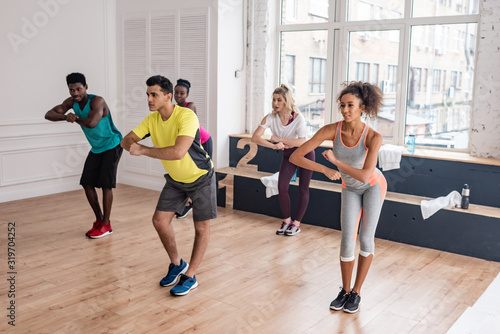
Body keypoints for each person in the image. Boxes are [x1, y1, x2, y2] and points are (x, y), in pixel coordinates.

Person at [290, 81, 386, 313]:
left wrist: (336, 162)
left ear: (363, 107)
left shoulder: (373, 137)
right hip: (349, 187)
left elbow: (365, 176)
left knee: (365, 238)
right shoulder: (331, 130)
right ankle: (345, 290)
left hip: (373, 186)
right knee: (346, 240)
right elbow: (296, 157)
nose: (345, 110)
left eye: (350, 105)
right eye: (342, 105)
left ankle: (357, 292)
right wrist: (324, 169)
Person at [121, 75, 216, 296]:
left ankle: (190, 275)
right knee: (159, 221)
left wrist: (142, 149)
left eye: (154, 95)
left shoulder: (186, 116)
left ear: (168, 96)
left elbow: (177, 152)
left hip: (200, 177)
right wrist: (134, 144)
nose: (149, 99)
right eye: (148, 95)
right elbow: (125, 141)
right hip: (176, 179)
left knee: (201, 228)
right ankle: (177, 264)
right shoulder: (151, 120)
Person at [45, 72, 123, 239]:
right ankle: (99, 220)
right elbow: (49, 114)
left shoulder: (98, 101)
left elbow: (91, 122)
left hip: (112, 144)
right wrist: (66, 116)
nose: (75, 94)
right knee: (87, 183)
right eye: (72, 90)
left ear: (86, 87)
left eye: (79, 89)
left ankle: (107, 224)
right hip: (97, 148)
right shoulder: (71, 102)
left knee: (105, 185)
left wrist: (74, 118)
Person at [251, 84, 315, 236]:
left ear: (287, 101)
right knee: (282, 187)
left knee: (303, 189)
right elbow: (255, 137)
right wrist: (273, 146)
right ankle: (287, 221)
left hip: (305, 153)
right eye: (273, 100)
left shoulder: (298, 117)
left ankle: (297, 224)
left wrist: (278, 138)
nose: (275, 103)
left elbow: (301, 141)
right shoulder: (270, 117)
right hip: (288, 154)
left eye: (279, 100)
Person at [173, 78, 213, 219]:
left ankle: (198, 205)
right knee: (185, 173)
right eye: (176, 92)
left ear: (187, 95)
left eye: (182, 93)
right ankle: (187, 204)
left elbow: (181, 125)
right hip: (188, 144)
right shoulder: (174, 108)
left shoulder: (190, 105)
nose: (178, 96)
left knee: (203, 174)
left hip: (203, 141)